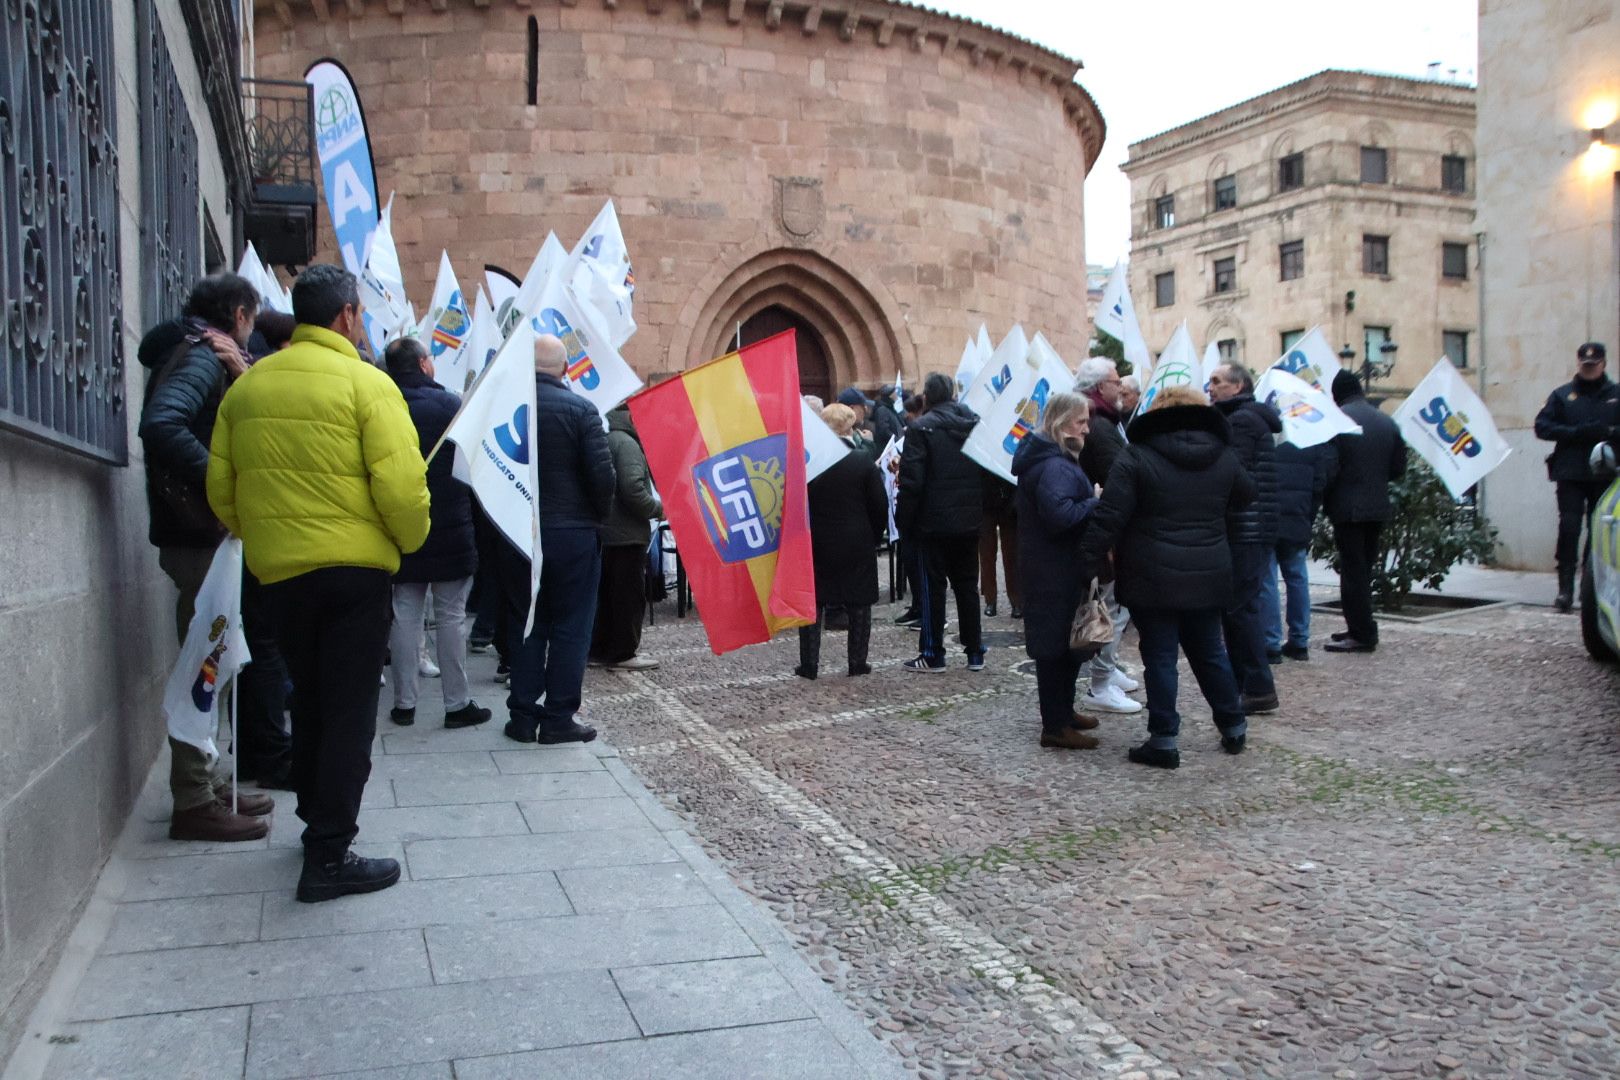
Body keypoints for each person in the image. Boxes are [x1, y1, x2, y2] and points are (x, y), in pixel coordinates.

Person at [208, 263, 430, 902]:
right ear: (349, 315)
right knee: (349, 710)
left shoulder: (247, 388)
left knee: (305, 697)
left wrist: (268, 535)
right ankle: (329, 852)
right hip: (355, 575)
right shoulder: (369, 385)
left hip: (280, 576)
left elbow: (222, 491)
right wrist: (406, 542)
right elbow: (401, 488)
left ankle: (315, 822)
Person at [139, 273, 287, 842]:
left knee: (215, 662)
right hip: (199, 535)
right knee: (205, 662)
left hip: (201, 536)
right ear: (239, 313)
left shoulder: (205, 351)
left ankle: (209, 783)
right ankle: (195, 799)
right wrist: (220, 483)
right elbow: (162, 424)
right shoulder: (204, 356)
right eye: (252, 315)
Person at [1077, 385, 1255, 769]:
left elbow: (1111, 514)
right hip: (1208, 572)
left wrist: (1088, 560)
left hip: (1151, 574)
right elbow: (1246, 494)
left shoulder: (1138, 455)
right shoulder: (1223, 455)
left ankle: (1163, 739)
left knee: (1160, 657)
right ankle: (1233, 725)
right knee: (1210, 652)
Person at [496, 334, 616, 744]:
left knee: (527, 623)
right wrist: (595, 518)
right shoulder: (582, 410)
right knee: (570, 626)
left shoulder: (508, 408)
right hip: (572, 535)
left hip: (520, 534)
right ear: (565, 370)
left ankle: (523, 716)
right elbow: (603, 478)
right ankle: (559, 716)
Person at [381, 337, 490, 730]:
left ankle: (404, 703)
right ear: (425, 364)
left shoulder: (382, 405)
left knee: (404, 615)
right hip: (451, 524)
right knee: (450, 617)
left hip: (399, 527)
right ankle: (457, 703)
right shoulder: (451, 405)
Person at [1012, 393, 1103, 749]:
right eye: (1080, 421)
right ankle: (1054, 724)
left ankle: (1063, 712)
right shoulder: (1054, 465)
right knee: (1053, 647)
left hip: (1054, 565)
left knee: (1067, 642)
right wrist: (1094, 502)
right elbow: (1060, 516)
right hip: (1053, 568)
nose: (1086, 428)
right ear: (1062, 423)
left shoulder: (1055, 459)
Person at [896, 372, 984, 672]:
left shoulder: (921, 428)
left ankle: (933, 653)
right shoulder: (974, 425)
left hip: (931, 523)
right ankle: (975, 651)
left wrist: (903, 521)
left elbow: (912, 482)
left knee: (932, 587)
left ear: (928, 398)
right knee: (967, 586)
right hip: (969, 521)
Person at [1209, 363, 1283, 713]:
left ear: (1237, 387)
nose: (1210, 388)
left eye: (1217, 382)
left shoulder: (1240, 421)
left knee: (1240, 610)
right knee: (1239, 607)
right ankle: (1248, 683)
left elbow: (1231, 472)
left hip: (1244, 528)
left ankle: (1257, 686)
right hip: (1252, 527)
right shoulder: (1248, 418)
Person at [796, 404, 887, 679]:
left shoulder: (810, 462)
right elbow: (879, 505)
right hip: (856, 539)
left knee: (814, 603)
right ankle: (857, 661)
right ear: (849, 428)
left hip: (818, 540)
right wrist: (873, 534)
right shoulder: (862, 461)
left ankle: (809, 664)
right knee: (859, 602)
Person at [1073, 357, 1141, 716]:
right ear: (1101, 387)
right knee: (1109, 608)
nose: (1121, 387)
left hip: (1103, 527)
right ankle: (1100, 683)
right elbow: (1119, 480)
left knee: (1111, 605)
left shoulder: (1100, 423)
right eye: (1116, 382)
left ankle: (1107, 670)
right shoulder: (1099, 427)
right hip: (1107, 530)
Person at [1322, 370, 1407, 653]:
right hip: (1378, 506)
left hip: (1347, 508)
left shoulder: (1337, 422)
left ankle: (1361, 633)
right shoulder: (1386, 421)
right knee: (1364, 569)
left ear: (1337, 394)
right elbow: (1398, 469)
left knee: (1352, 571)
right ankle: (1360, 626)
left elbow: (1328, 468)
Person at [1534, 342, 1620, 611]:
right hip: (1570, 471)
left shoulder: (1616, 394)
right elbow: (1543, 427)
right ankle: (1565, 590)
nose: (1589, 369)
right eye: (1585, 365)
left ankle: (1591, 588)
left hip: (1605, 473)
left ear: (1603, 365)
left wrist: (1608, 431)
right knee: (1569, 528)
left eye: (1594, 365)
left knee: (1598, 532)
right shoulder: (1562, 395)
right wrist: (1575, 433)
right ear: (1579, 364)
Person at [590, 403, 663, 671]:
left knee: (607, 596)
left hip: (607, 533)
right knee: (628, 597)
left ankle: (601, 650)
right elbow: (633, 489)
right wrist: (658, 509)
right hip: (627, 534)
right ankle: (622, 653)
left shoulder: (607, 438)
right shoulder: (627, 444)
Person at [1263, 440, 1337, 662]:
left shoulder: (1267, 441)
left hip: (1267, 519)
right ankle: (1300, 639)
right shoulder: (1311, 442)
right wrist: (1307, 515)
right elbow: (1319, 483)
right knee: (1297, 577)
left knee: (1268, 580)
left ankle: (1271, 642)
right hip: (1298, 517)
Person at [978, 475, 1020, 618]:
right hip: (985, 502)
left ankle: (1016, 600)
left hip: (1009, 501)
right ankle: (990, 600)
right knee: (987, 556)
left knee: (1011, 555)